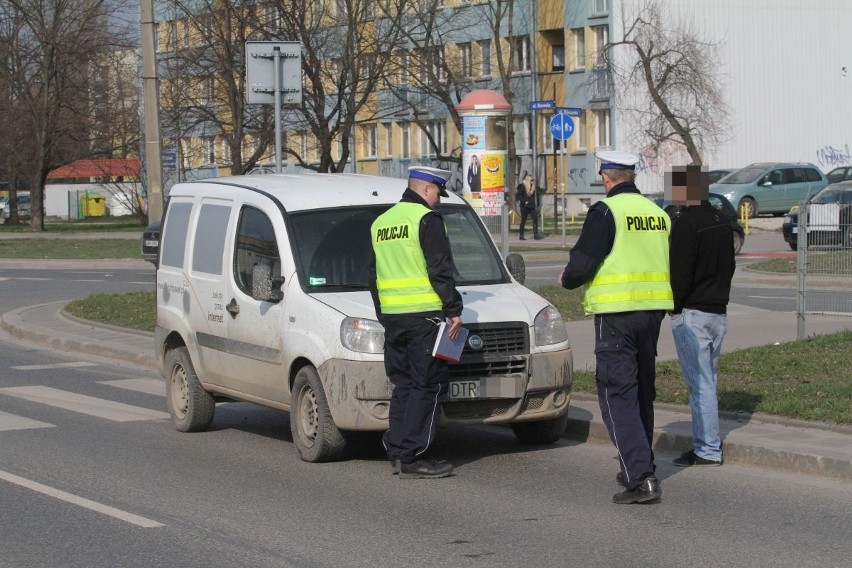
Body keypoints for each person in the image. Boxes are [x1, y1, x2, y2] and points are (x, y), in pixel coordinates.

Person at [557, 150, 673, 504]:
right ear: (632, 176)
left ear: (606, 177)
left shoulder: (606, 211)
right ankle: (637, 465)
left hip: (617, 314)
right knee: (640, 392)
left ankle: (641, 477)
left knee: (617, 395)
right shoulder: (658, 214)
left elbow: (583, 263)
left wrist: (567, 278)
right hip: (652, 313)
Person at [368, 165, 464, 479]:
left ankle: (397, 450)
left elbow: (373, 276)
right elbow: (440, 269)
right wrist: (453, 309)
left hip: (395, 320)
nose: (438, 198)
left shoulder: (381, 223)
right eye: (437, 192)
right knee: (429, 386)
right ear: (425, 189)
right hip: (425, 318)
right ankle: (414, 456)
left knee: (404, 385)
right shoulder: (426, 219)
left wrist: (384, 314)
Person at [667, 165, 735, 467]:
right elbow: (729, 266)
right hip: (718, 311)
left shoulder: (686, 224)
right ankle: (708, 443)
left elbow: (681, 272)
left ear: (685, 191)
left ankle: (707, 448)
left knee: (701, 385)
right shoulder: (722, 220)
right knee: (709, 381)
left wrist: (674, 306)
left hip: (692, 312)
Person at [516, 174, 543, 240]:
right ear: (528, 180)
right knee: (523, 220)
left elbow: (533, 197)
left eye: (533, 180)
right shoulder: (522, 186)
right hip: (524, 206)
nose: (532, 181)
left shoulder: (533, 187)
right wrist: (524, 201)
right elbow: (518, 196)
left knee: (535, 219)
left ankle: (536, 235)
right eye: (531, 180)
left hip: (531, 206)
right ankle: (521, 235)